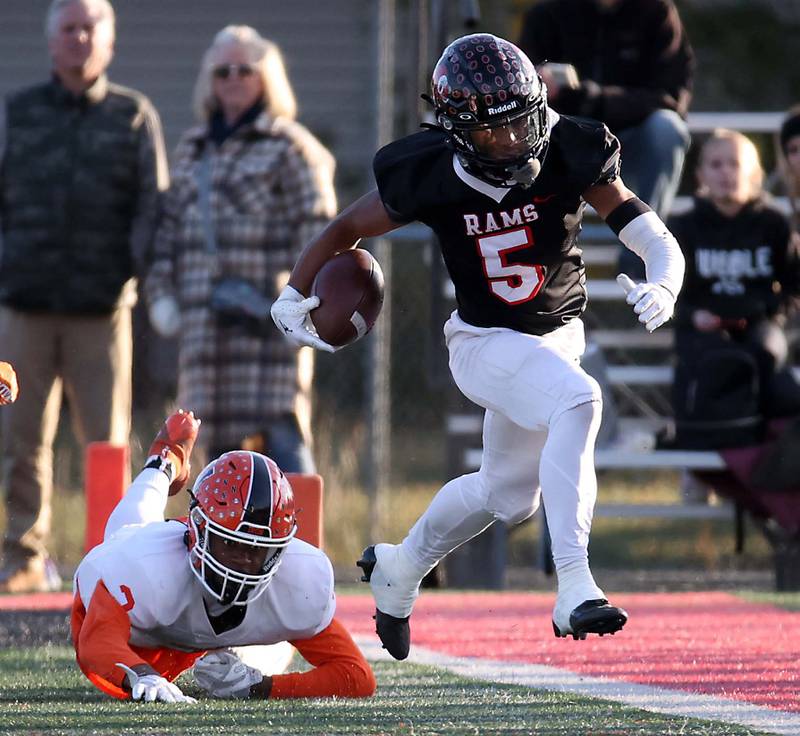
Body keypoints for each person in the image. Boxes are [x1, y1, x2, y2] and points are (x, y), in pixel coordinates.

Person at [271, 34, 685, 659]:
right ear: (460, 131)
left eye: (524, 122)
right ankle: (574, 585)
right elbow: (347, 228)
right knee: (580, 401)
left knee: (507, 494)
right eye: (497, 133)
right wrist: (294, 290)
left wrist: (665, 279)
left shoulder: (572, 146)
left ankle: (400, 569)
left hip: (556, 340)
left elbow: (648, 230)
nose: (516, 141)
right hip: (485, 342)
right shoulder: (430, 170)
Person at [0, 0, 168, 593]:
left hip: (103, 309)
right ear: (52, 43)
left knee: (107, 442)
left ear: (109, 43)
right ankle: (23, 555)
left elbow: (154, 204)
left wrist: (140, 276)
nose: (78, 39)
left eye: (88, 29)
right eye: (67, 29)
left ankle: (112, 561)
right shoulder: (17, 113)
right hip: (24, 306)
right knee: (20, 437)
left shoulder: (132, 114)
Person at [71, 409, 375, 702]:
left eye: (256, 549)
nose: (243, 559)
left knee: (259, 653)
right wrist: (142, 674)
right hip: (152, 620)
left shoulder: (298, 580)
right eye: (230, 544)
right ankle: (163, 461)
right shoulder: (143, 564)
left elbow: (356, 676)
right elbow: (96, 644)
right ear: (198, 530)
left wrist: (261, 687)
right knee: (129, 526)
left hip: (206, 623)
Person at [146, 25, 336, 471]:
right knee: (207, 455)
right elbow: (166, 232)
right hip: (202, 333)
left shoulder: (291, 147)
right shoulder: (193, 149)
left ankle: (302, 538)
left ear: (266, 77)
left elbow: (323, 235)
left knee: (284, 451)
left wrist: (305, 307)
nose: (232, 79)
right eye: (221, 71)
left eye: (244, 70)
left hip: (267, 335)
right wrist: (160, 295)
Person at [517, 0, 694, 279]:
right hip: (566, 138)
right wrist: (539, 84)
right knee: (527, 133)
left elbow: (672, 96)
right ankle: (540, 245)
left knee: (667, 129)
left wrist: (595, 98)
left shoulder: (656, 12)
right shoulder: (547, 13)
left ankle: (646, 246)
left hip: (633, 138)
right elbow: (516, 89)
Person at [668, 129, 800, 449]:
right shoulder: (684, 227)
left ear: (755, 175)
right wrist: (692, 316)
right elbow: (666, 292)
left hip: (757, 326)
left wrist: (768, 312)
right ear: (700, 175)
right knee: (705, 364)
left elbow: (794, 287)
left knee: (770, 359)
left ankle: (761, 459)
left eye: (735, 164)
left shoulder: (774, 223)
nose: (726, 172)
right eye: (716, 164)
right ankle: (698, 458)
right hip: (701, 330)